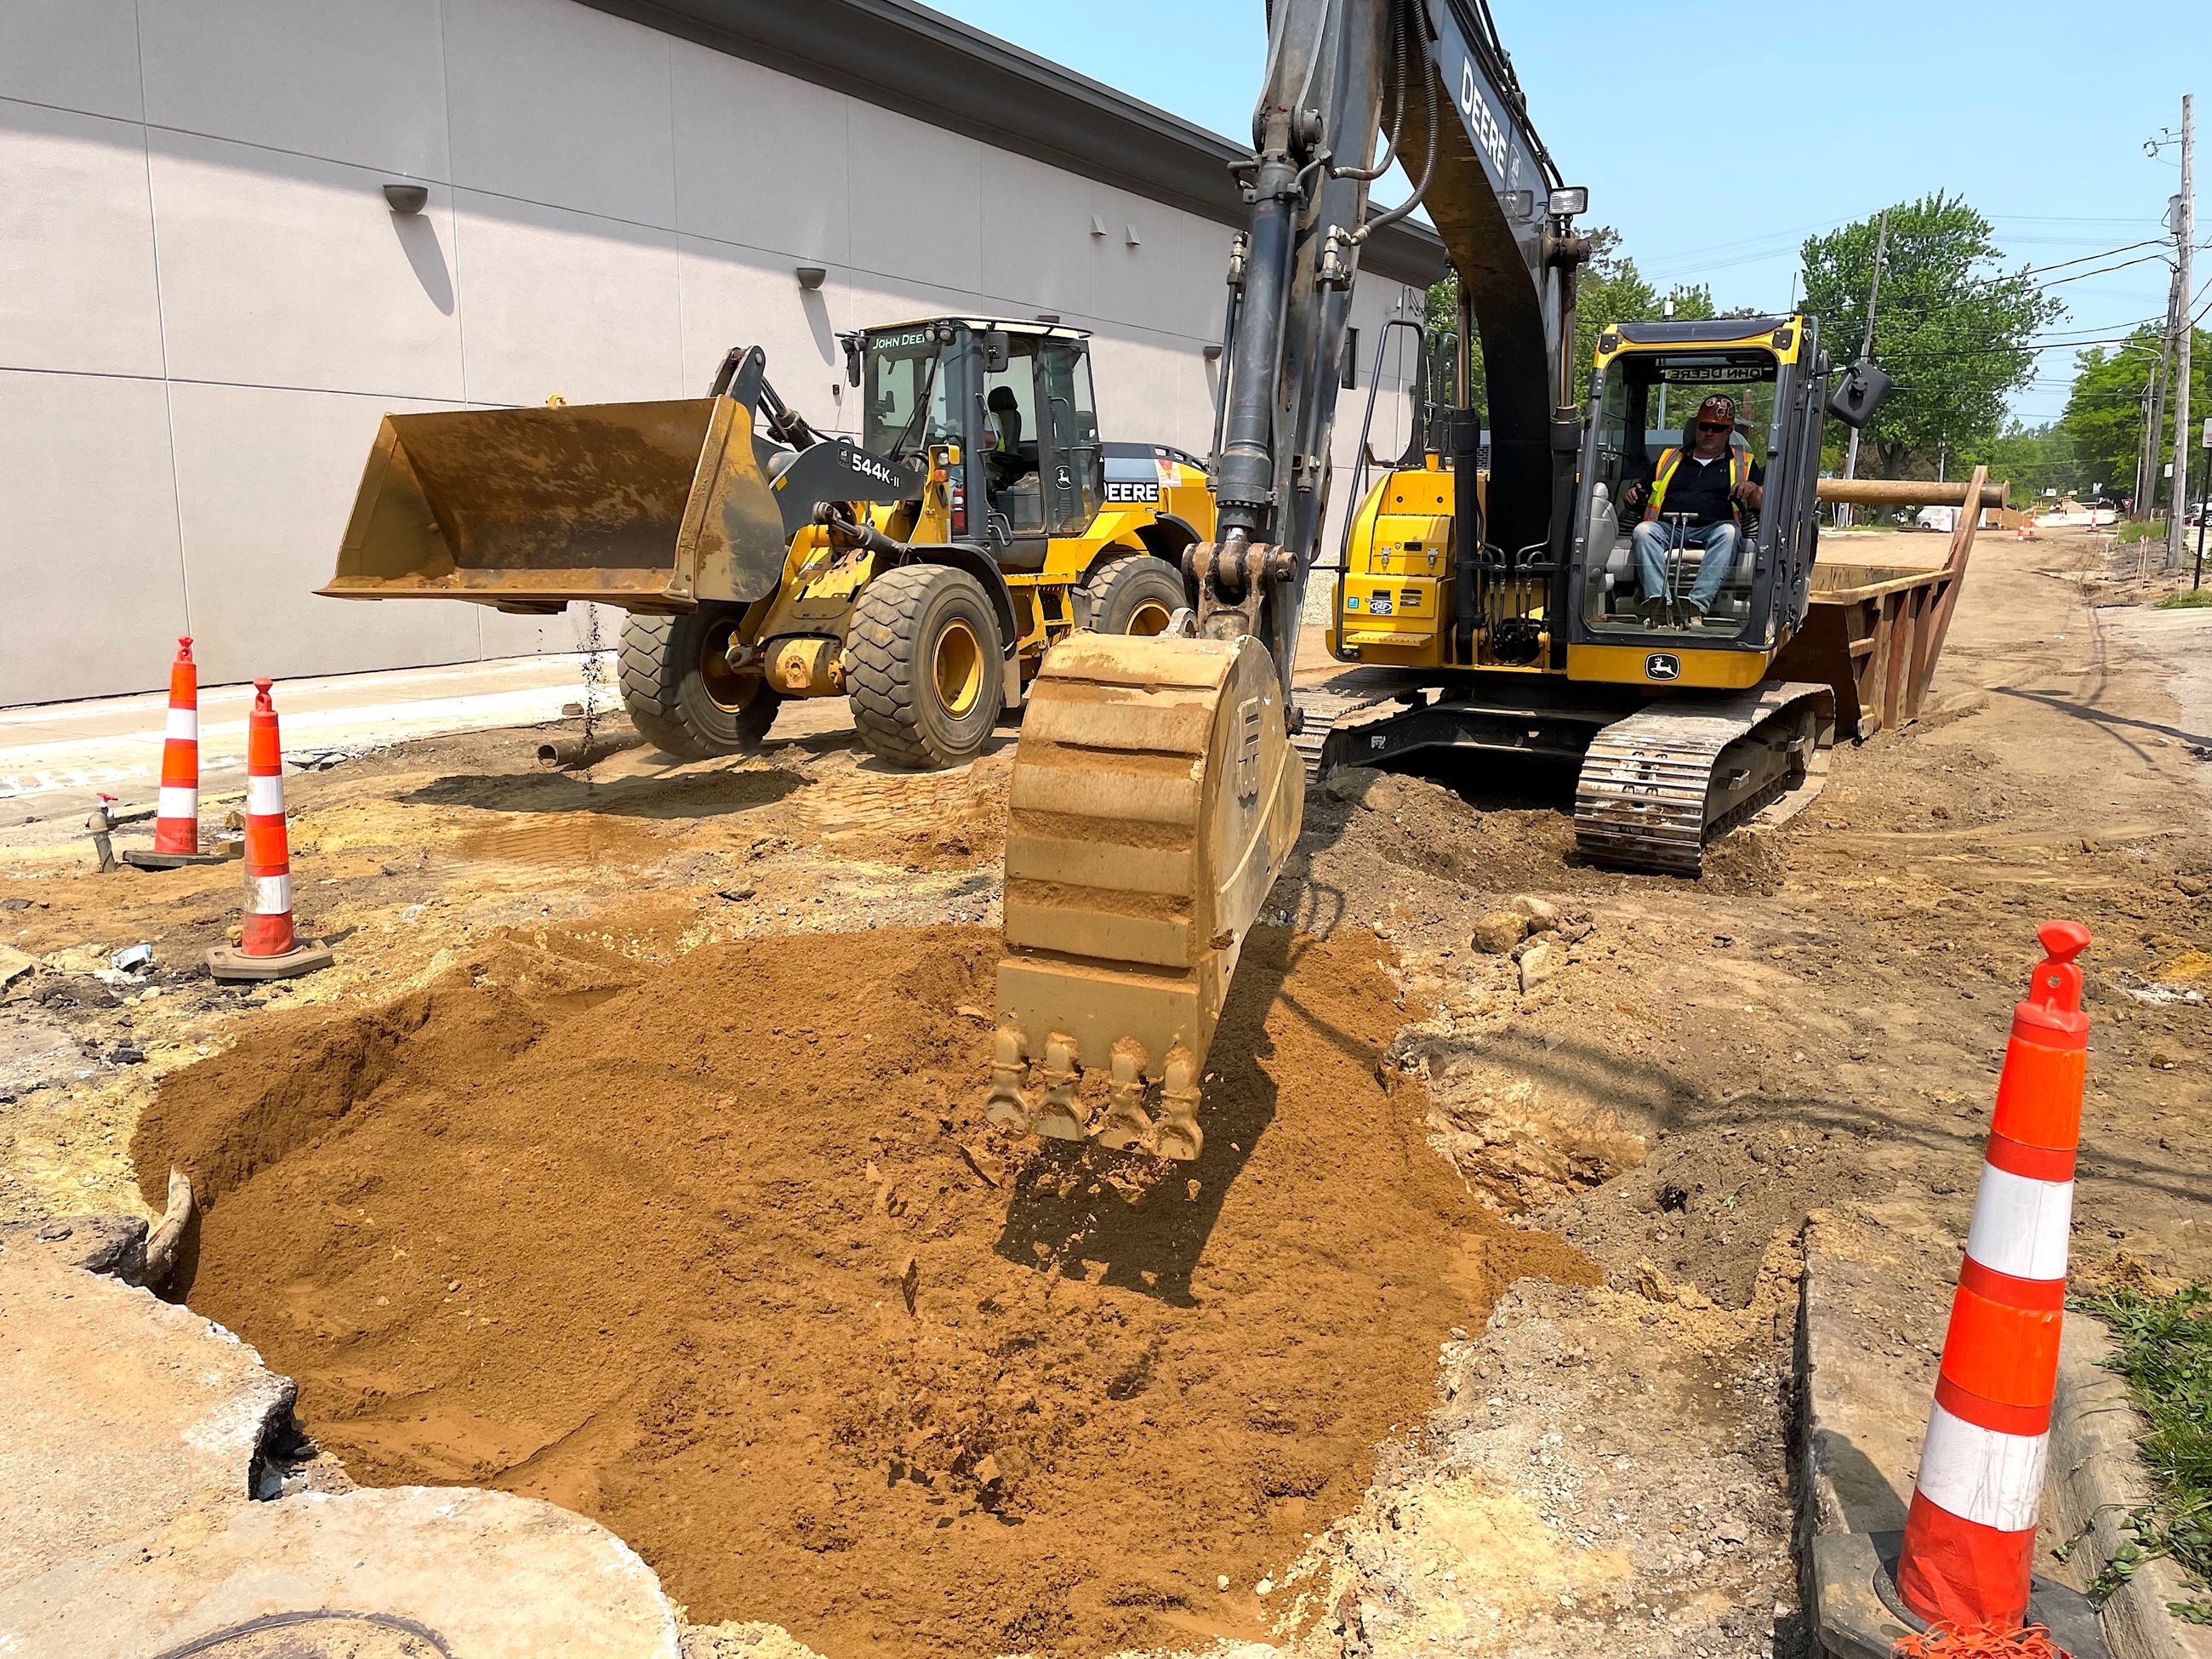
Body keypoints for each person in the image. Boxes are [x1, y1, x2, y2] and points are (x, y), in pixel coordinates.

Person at [1624, 394, 1764, 624]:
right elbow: (1639, 493)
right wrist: (1631, 495)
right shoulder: (1668, 458)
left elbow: (1762, 503)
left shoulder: (1744, 462)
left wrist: (1751, 488)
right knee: (1642, 531)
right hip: (1669, 528)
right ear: (1696, 427)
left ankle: (1695, 606)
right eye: (1704, 426)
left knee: (1729, 533)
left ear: (1729, 431)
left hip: (1713, 528)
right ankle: (1660, 603)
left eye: (1717, 428)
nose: (1709, 433)